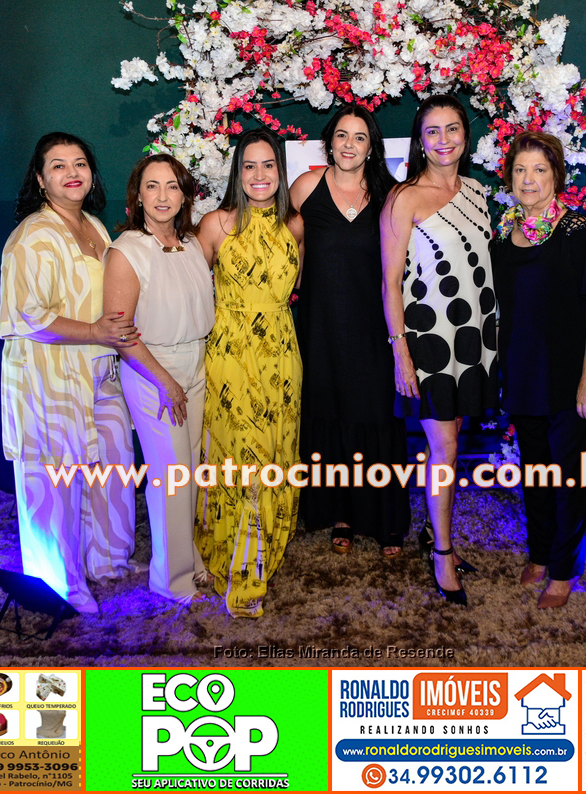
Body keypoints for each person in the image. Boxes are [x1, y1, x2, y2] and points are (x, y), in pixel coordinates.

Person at [0, 131, 138, 614]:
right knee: (55, 484)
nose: (71, 172)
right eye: (57, 165)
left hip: (99, 368)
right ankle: (62, 584)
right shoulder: (32, 236)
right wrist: (97, 331)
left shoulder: (95, 226)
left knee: (114, 464)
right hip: (49, 376)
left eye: (79, 163)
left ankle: (108, 561)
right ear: (40, 180)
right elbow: (26, 316)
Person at [380, 95, 497, 606]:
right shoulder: (403, 198)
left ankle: (435, 530)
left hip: (474, 340)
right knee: (444, 450)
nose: (443, 139)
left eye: (452, 129)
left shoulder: (476, 192)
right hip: (429, 342)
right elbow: (389, 283)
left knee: (452, 443)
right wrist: (401, 352)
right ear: (419, 141)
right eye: (433, 131)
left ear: (465, 137)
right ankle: (443, 554)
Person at [492, 131, 586, 609]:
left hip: (568, 379)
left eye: (539, 170)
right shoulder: (504, 235)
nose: (529, 179)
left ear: (556, 176)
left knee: (570, 480)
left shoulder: (577, 231)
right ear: (509, 177)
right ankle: (540, 553)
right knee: (537, 475)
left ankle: (564, 569)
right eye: (520, 170)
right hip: (523, 376)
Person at [290, 105, 410, 558]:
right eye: (342, 135)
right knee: (330, 413)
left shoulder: (389, 194)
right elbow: (284, 245)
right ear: (329, 141)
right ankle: (340, 513)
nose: (349, 145)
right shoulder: (306, 188)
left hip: (374, 327)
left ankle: (385, 519)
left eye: (360, 137)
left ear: (371, 147)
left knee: (376, 417)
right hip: (320, 326)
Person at [194, 128, 305, 618]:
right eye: (249, 166)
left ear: (280, 170)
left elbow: (295, 287)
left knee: (274, 451)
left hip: (280, 352)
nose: (259, 175)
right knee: (238, 455)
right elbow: (191, 290)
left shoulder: (294, 225)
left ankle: (263, 548)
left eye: (268, 165)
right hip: (229, 354)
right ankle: (236, 564)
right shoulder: (215, 224)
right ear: (236, 173)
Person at [103, 154, 214, 605]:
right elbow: (120, 332)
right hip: (153, 370)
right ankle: (171, 582)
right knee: (171, 477)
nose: (163, 196)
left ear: (185, 195)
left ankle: (187, 557)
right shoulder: (127, 250)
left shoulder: (191, 244)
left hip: (196, 363)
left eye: (172, 186)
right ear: (138, 195)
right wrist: (165, 381)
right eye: (152, 186)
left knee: (189, 472)